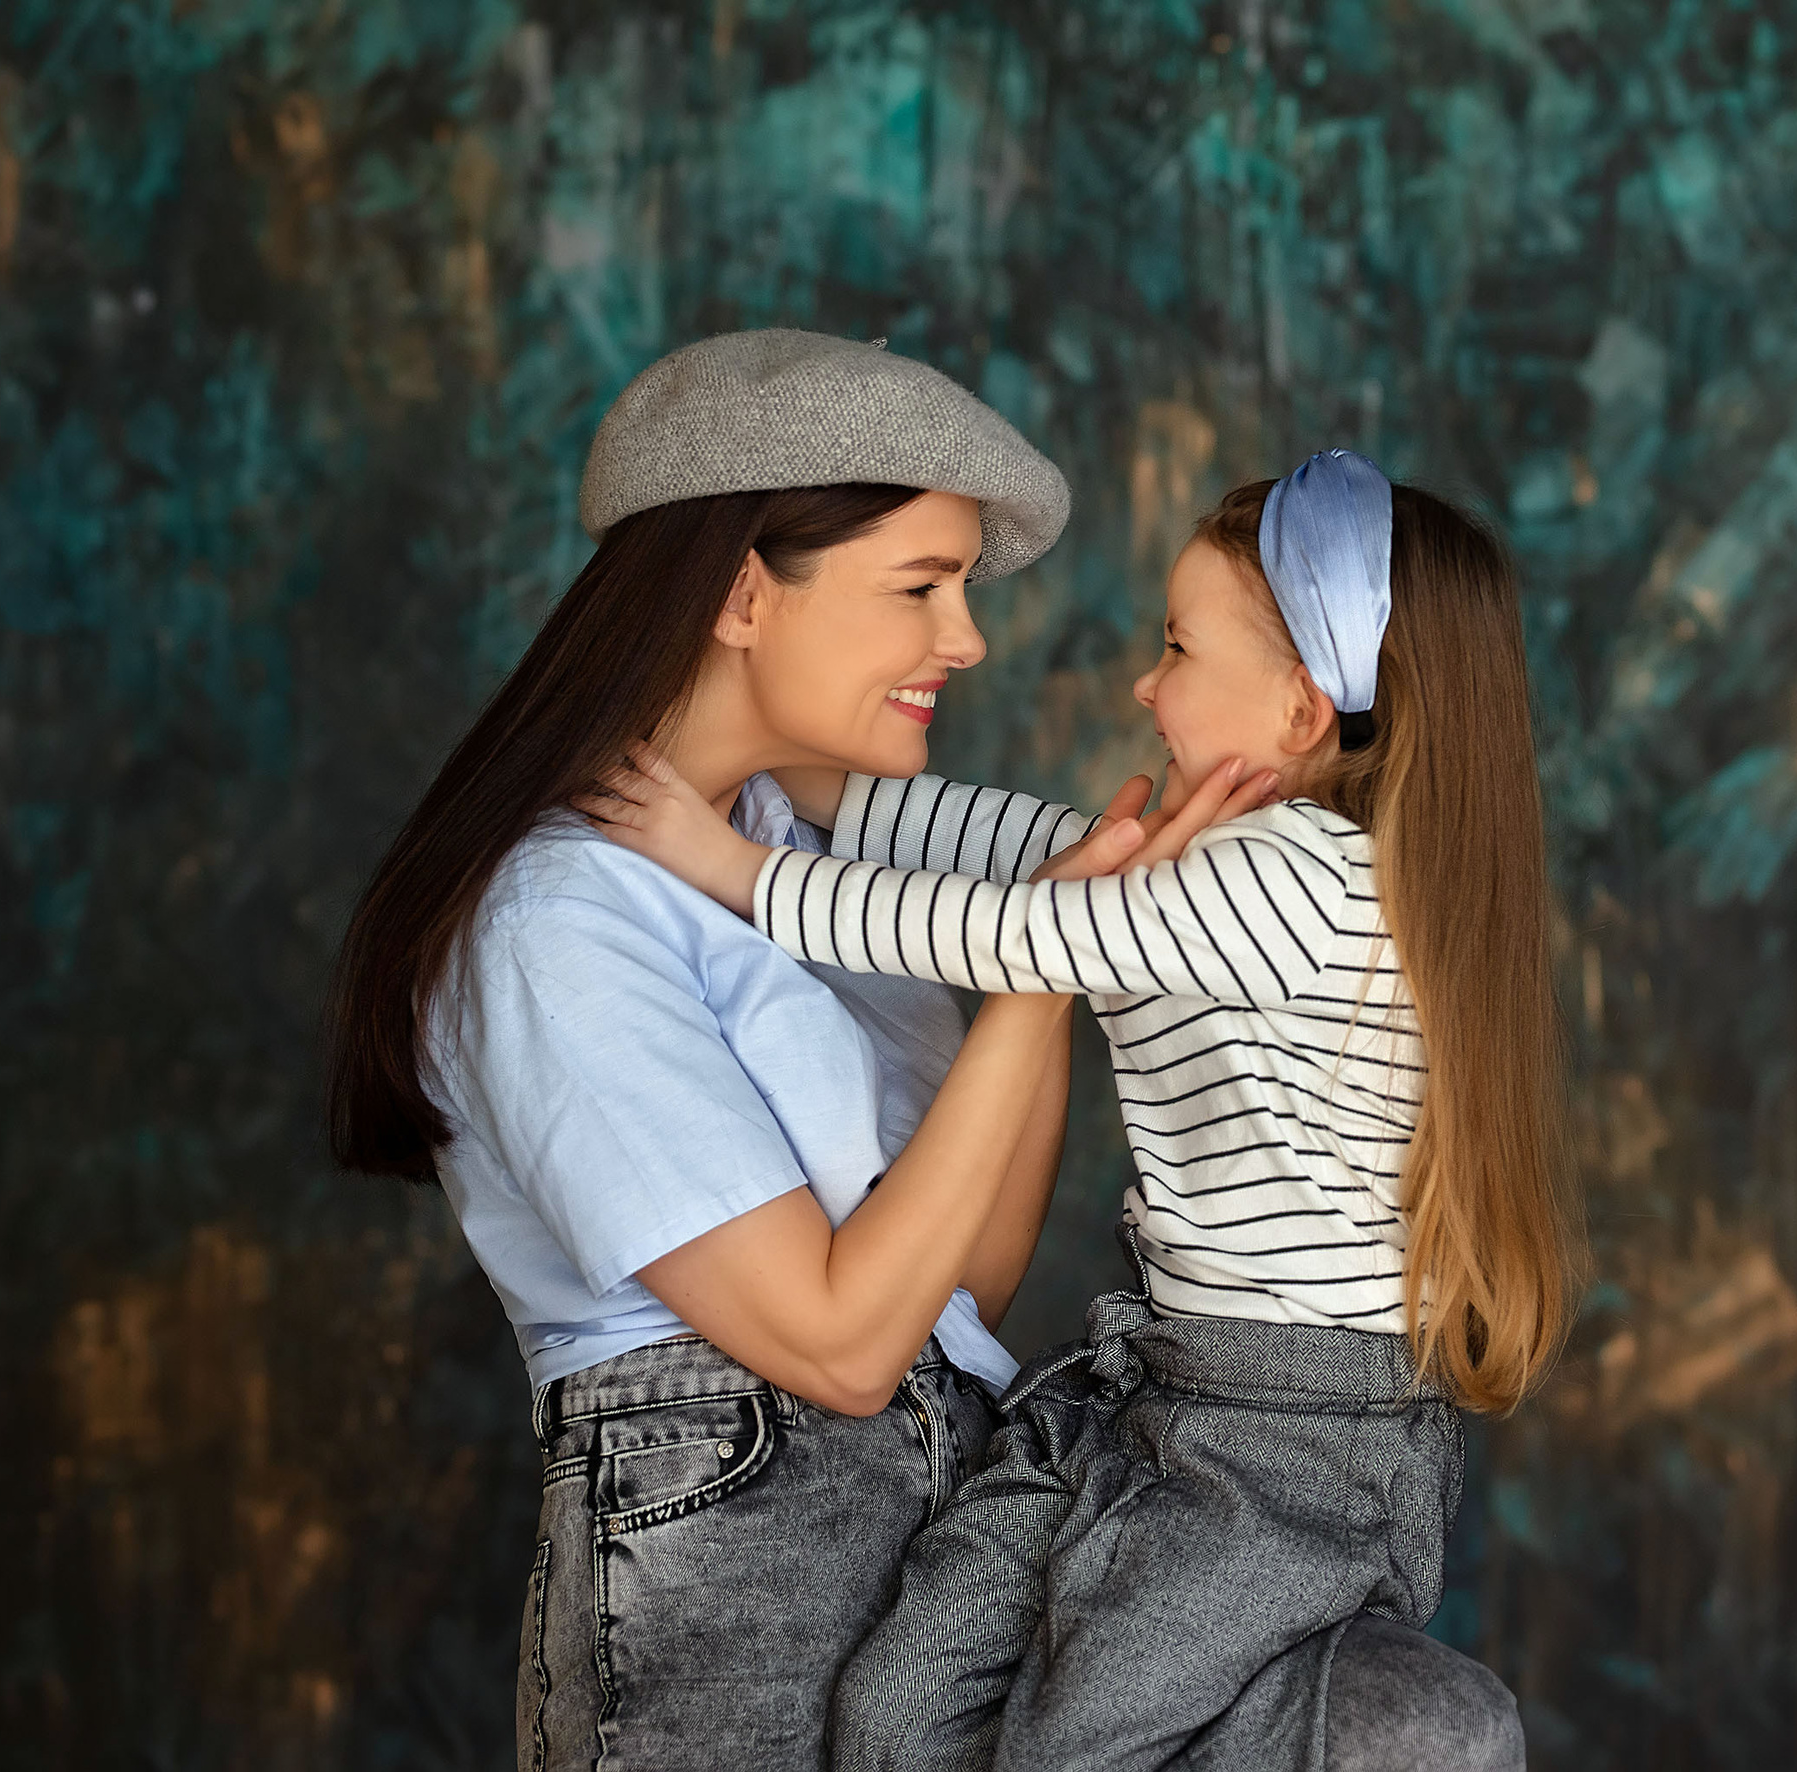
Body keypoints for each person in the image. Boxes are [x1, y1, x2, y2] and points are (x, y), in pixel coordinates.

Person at [324, 330, 1525, 1771]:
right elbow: (839, 1339)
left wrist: (1057, 937)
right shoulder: (559, 911)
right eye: (922, 586)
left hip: (943, 1506)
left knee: (1386, 1725)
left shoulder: (809, 861)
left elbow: (963, 1273)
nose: (968, 638)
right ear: (738, 592)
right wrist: (1054, 948)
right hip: (736, 1584)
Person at [587, 449, 1580, 1770]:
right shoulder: (1222, 863)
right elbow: (997, 844)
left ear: (1298, 708)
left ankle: (1405, 1727)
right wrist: (774, 766)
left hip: (1289, 1445)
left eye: (1178, 648)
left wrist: (729, 862)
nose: (1145, 683)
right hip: (1153, 1389)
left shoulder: (1300, 881)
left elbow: (1011, 927)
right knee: (898, 1715)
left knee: (1081, 1746)